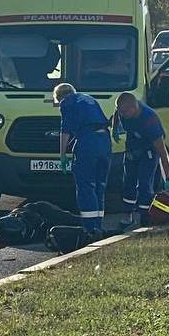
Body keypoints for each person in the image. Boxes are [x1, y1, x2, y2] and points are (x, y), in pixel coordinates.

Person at [53, 82, 112, 233]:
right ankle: (98, 225)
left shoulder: (66, 102)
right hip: (104, 140)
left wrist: (62, 154)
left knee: (86, 185)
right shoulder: (89, 99)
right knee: (100, 186)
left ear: (59, 97)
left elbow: (65, 130)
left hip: (88, 143)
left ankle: (89, 228)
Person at [112, 92, 169, 227]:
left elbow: (163, 152)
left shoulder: (149, 120)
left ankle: (145, 217)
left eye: (124, 112)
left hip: (149, 151)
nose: (122, 115)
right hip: (132, 148)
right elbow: (117, 113)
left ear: (134, 108)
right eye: (120, 111)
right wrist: (115, 128)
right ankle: (128, 217)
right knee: (128, 183)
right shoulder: (123, 111)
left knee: (145, 185)